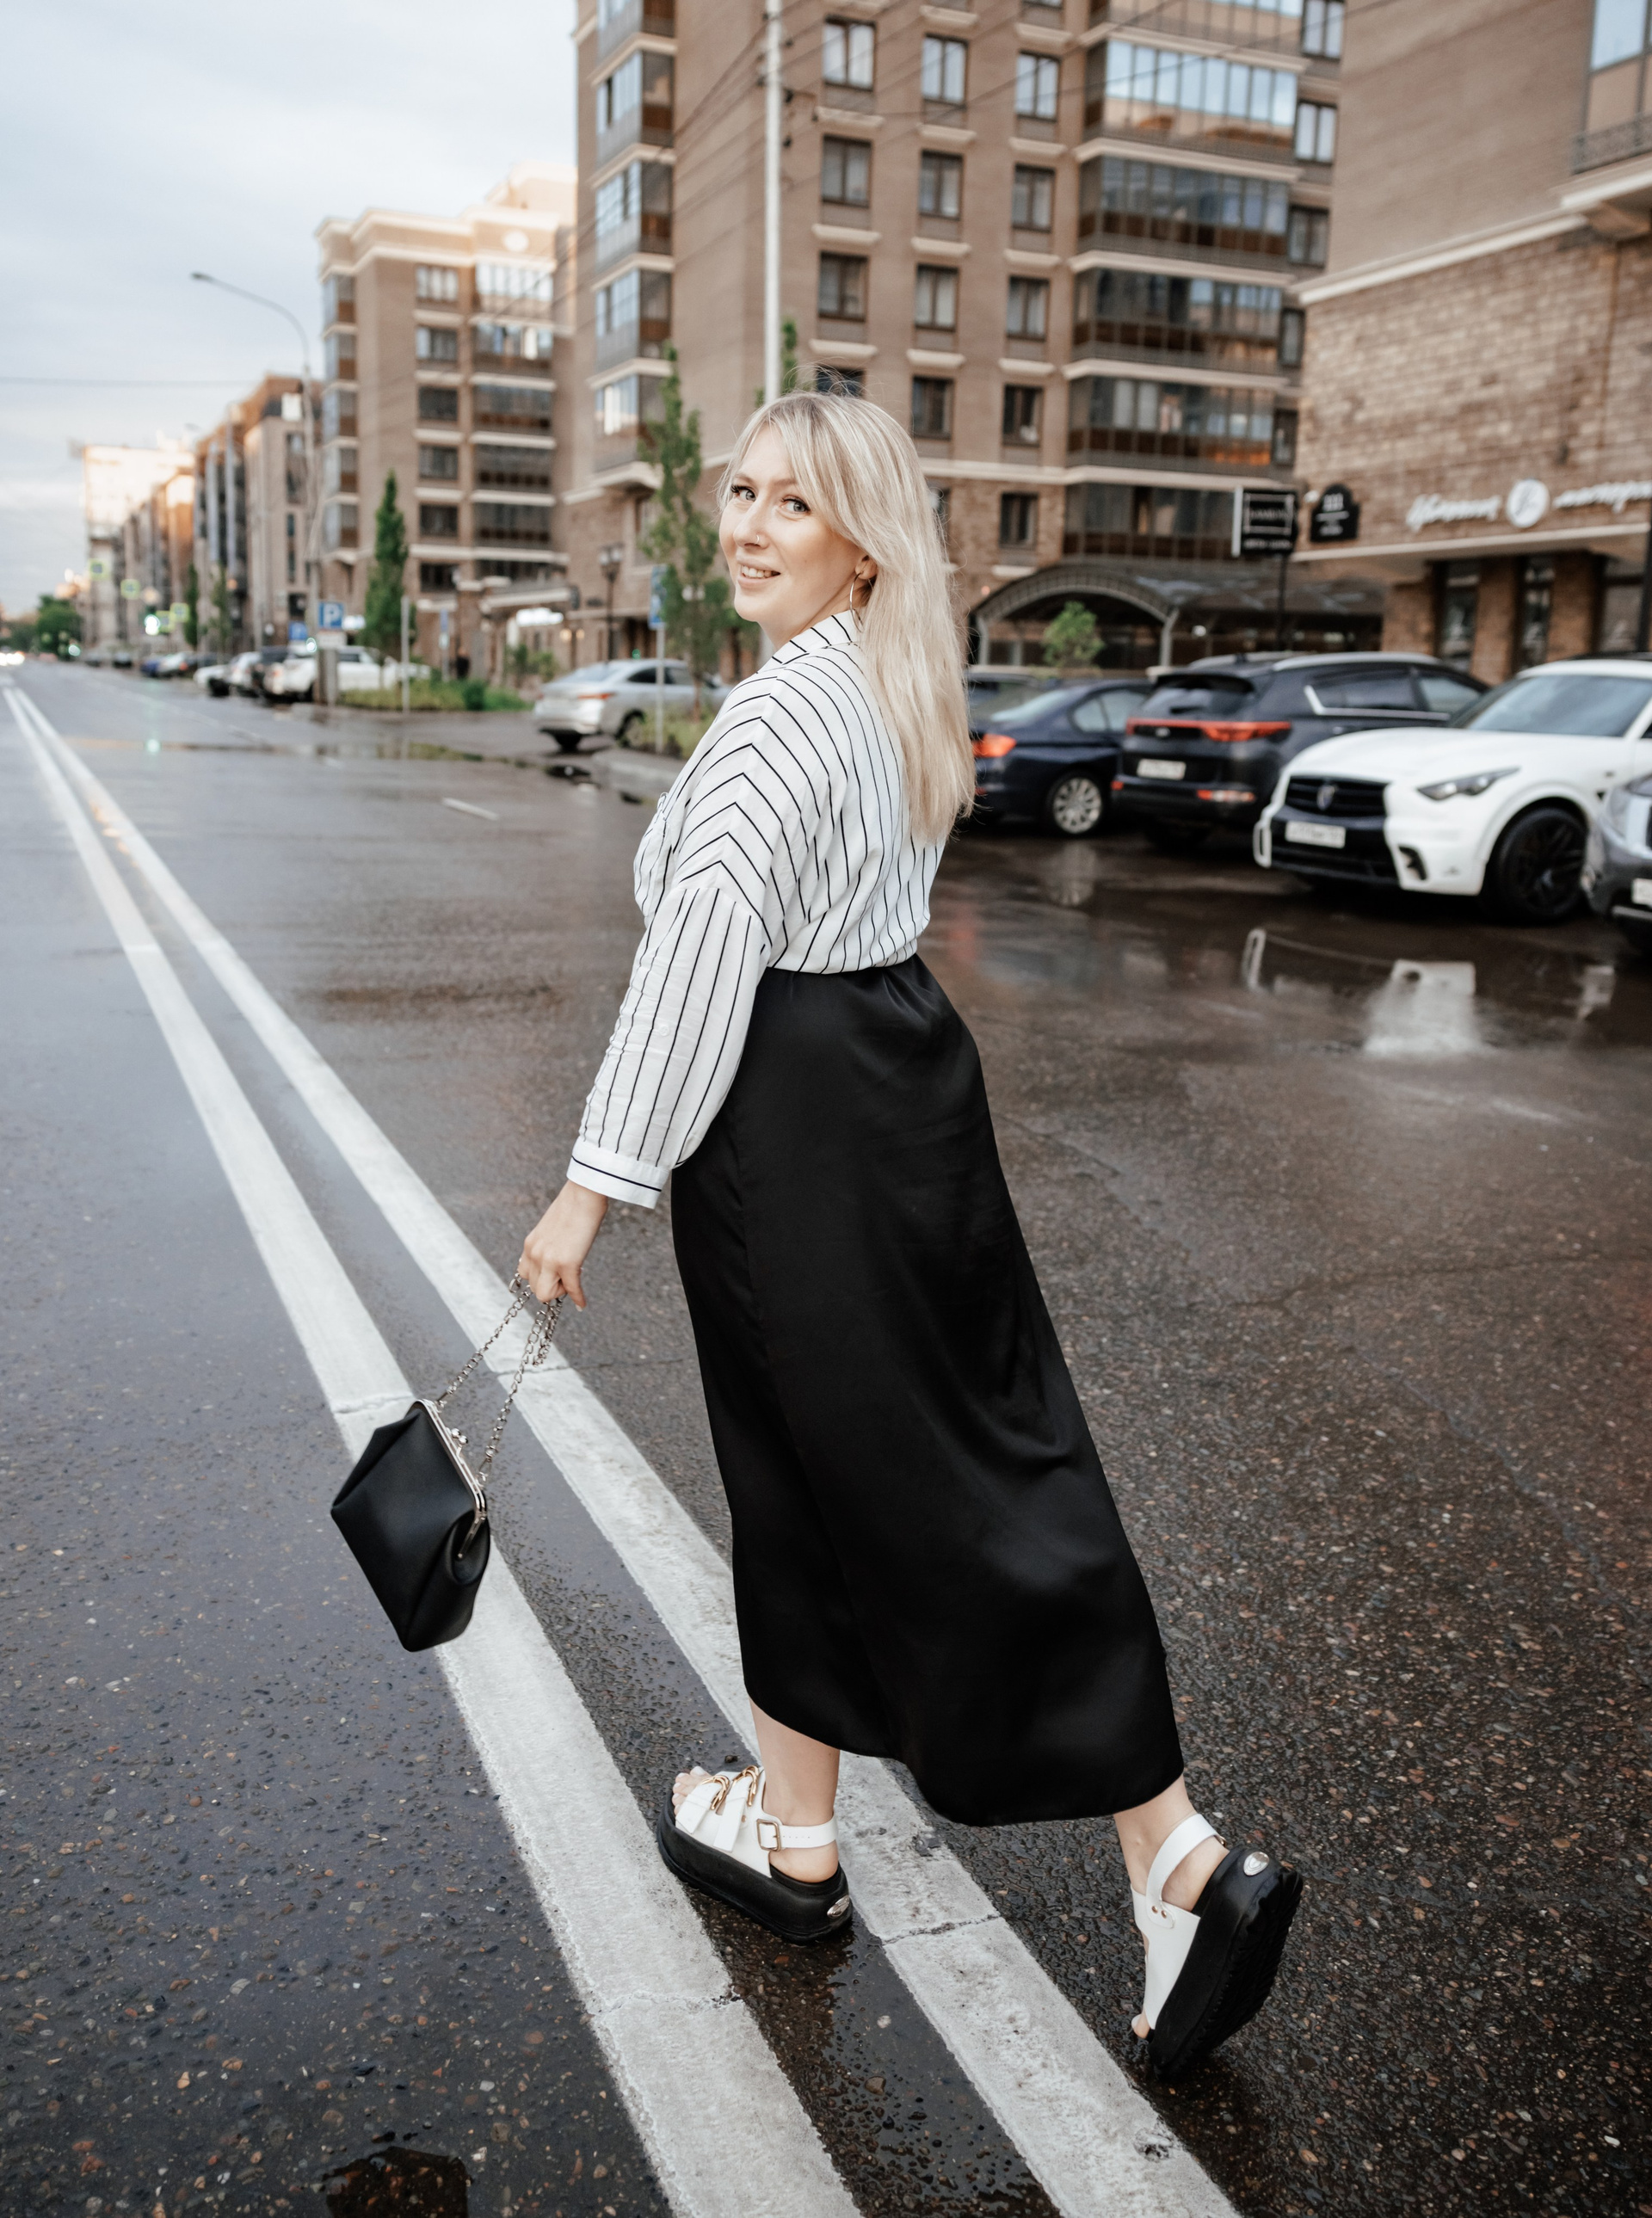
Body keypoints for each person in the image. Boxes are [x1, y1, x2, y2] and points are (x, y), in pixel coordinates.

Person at [518, 390, 1301, 2076]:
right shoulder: (896, 687)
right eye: (739, 491)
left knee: (831, 1475)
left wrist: (593, 1183)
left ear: (859, 543)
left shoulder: (774, 722)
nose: (745, 526)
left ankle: (1120, 1847)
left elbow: (700, 964)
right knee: (977, 1451)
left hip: (796, 1116)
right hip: (908, 1082)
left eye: (789, 505)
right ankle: (864, 1831)